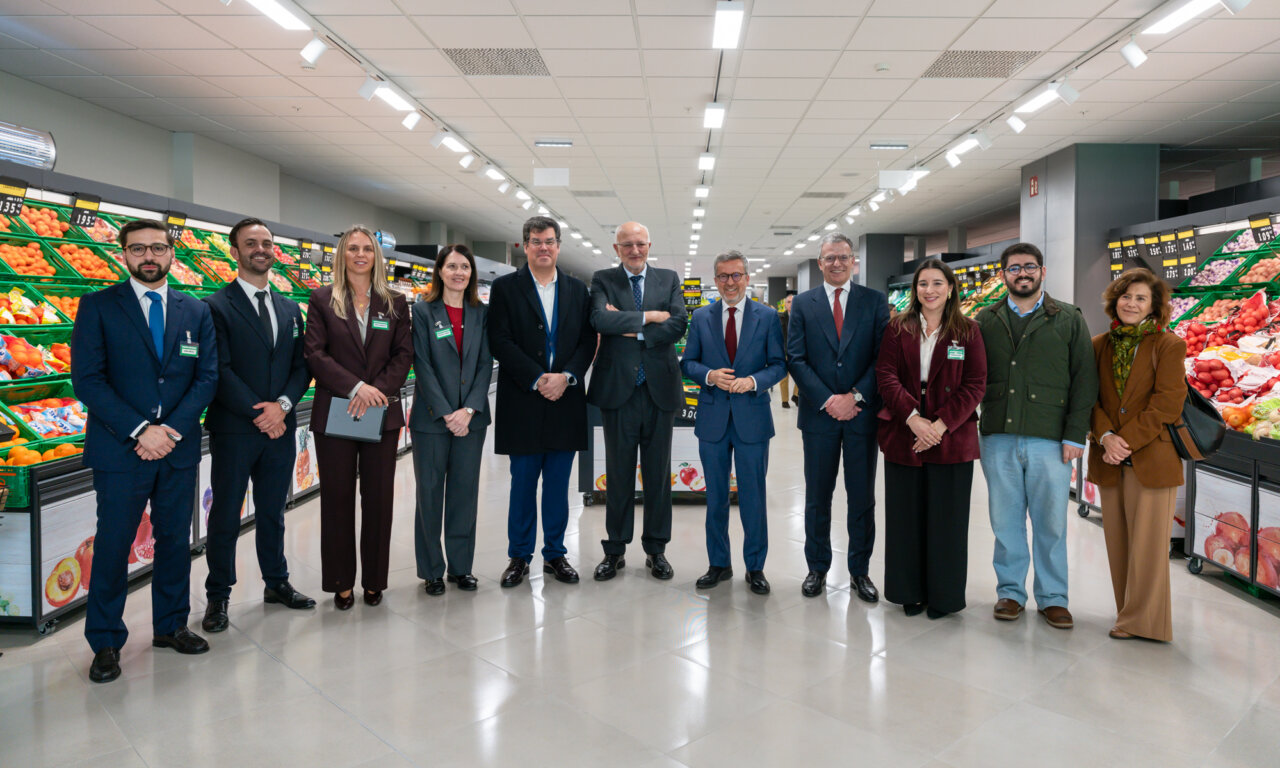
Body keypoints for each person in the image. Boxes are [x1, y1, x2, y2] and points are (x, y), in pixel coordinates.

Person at [71, 219, 218, 683]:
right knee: (113, 546)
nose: (148, 256)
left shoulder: (195, 310)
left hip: (176, 448)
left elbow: (206, 378)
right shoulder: (98, 307)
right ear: (124, 255)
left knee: (175, 540)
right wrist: (140, 430)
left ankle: (171, 625)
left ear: (172, 253)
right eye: (138, 249)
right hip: (120, 450)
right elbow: (87, 380)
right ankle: (106, 642)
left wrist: (170, 430)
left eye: (157, 248)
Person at [976, 242, 1098, 629]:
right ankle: (1010, 592)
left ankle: (1053, 597)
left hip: (1051, 438)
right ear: (1003, 275)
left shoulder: (1067, 318)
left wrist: (1076, 434)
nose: (1022, 273)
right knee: (1005, 519)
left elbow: (1085, 379)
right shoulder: (985, 319)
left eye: (1030, 267)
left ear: (1042, 272)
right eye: (1014, 268)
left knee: (1051, 522)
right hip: (998, 434)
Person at [201, 218, 314, 634]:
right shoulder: (214, 306)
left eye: (266, 243)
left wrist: (282, 406)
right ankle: (218, 595)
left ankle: (276, 581)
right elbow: (219, 369)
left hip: (279, 427)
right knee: (226, 515)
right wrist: (260, 412)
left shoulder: (288, 309)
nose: (260, 249)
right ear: (235, 251)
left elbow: (301, 367)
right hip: (235, 429)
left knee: (273, 511)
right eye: (251, 243)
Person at [303, 225, 413, 610]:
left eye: (367, 249)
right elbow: (315, 354)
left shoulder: (395, 302)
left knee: (379, 499)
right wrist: (356, 388)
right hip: (337, 411)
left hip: (381, 414)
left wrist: (376, 391)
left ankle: (374, 580)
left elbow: (404, 355)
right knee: (337, 498)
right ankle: (340, 581)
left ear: (377, 256)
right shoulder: (321, 299)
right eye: (353, 248)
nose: (361, 254)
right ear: (342, 255)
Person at [875, 259, 987, 619]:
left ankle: (944, 596)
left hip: (951, 437)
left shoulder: (968, 330)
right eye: (923, 284)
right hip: (904, 433)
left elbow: (975, 384)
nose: (930, 290)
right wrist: (913, 420)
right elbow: (886, 375)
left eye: (938, 283)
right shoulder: (898, 328)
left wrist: (938, 426)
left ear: (951, 288)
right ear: (915, 290)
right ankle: (909, 591)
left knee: (947, 521)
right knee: (905, 518)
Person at [488, 216, 596, 588]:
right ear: (525, 246)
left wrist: (565, 377)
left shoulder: (577, 290)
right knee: (522, 484)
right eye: (536, 241)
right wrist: (537, 378)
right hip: (523, 399)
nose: (544, 247)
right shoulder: (506, 288)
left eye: (550, 241)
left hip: (565, 399)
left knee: (557, 485)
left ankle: (555, 554)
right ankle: (519, 556)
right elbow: (499, 340)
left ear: (559, 245)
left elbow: (587, 341)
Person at [788, 232, 890, 600]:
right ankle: (817, 568)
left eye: (843, 257)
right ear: (820, 263)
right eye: (829, 258)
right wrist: (829, 399)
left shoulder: (874, 302)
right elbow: (795, 359)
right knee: (818, 496)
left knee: (861, 497)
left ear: (854, 261)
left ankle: (859, 572)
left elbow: (883, 358)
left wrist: (856, 397)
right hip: (819, 417)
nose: (836, 263)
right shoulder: (802, 304)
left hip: (862, 417)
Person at [680, 251, 786, 594]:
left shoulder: (767, 317)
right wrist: (709, 375)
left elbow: (778, 365)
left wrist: (753, 381)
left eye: (736, 275)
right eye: (723, 276)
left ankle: (755, 567)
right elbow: (688, 362)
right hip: (712, 419)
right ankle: (719, 564)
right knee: (715, 497)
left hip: (752, 419)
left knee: (753, 497)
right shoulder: (700, 317)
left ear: (747, 277)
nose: (730, 282)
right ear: (715, 280)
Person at [588, 222, 688, 582]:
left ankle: (656, 550)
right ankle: (615, 549)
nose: (634, 250)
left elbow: (678, 323)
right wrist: (650, 317)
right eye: (627, 245)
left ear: (650, 245)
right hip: (618, 391)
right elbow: (599, 319)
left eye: (640, 244)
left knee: (659, 474)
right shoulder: (603, 279)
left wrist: (629, 327)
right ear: (616, 248)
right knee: (618, 473)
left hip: (659, 389)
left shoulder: (668, 278)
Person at [1089, 269, 1186, 642]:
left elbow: (1167, 404)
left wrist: (1123, 441)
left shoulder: (1168, 345)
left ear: (1155, 306)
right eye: (1126, 296)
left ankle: (1145, 622)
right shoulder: (1100, 344)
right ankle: (1126, 613)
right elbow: (1091, 398)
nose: (1131, 303)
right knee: (1119, 543)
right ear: (1115, 300)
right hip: (1110, 457)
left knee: (1148, 546)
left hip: (1150, 458)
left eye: (1141, 298)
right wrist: (1106, 436)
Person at [409, 245, 492, 595]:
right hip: (431, 420)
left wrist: (469, 410)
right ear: (439, 271)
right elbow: (422, 365)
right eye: (452, 266)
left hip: (471, 421)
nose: (459, 272)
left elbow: (486, 363)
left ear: (471, 273)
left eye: (465, 267)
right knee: (429, 494)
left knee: (464, 494)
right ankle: (431, 569)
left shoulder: (481, 313)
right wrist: (447, 412)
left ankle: (461, 567)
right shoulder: (424, 311)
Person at [779, 293, 796, 408]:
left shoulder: (801, 317)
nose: (791, 304)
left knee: (801, 376)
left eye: (793, 301)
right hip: (783, 351)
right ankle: (784, 400)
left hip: (798, 352)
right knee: (784, 378)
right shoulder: (780, 317)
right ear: (785, 304)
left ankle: (796, 395)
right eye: (789, 302)